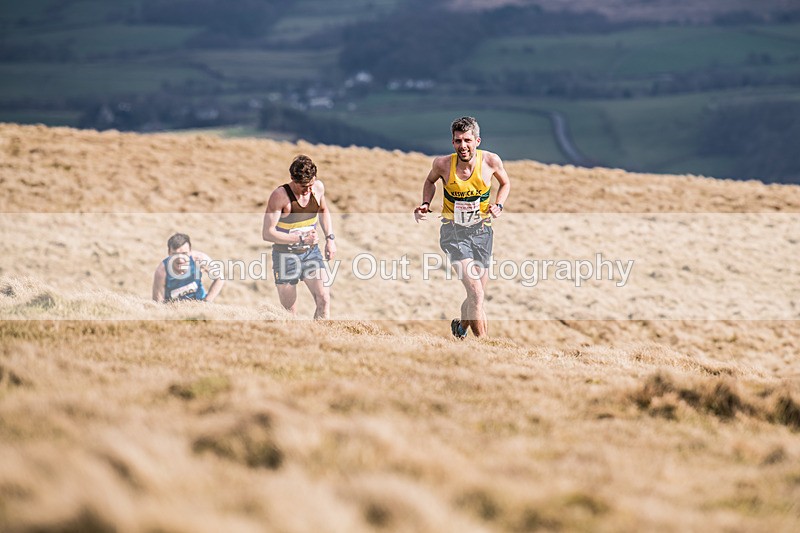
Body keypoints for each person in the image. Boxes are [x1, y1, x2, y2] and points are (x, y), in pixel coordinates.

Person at [414, 116, 511, 339]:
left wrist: (499, 205)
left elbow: (505, 183)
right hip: (453, 233)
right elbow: (430, 182)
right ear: (453, 143)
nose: (462, 146)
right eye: (458, 141)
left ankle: (461, 328)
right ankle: (484, 346)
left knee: (476, 294)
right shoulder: (442, 164)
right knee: (476, 293)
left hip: (482, 232)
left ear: (477, 140)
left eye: (467, 140)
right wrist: (425, 204)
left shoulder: (490, 161)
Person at [262, 154, 336, 319]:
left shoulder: (318, 188)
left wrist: (330, 239)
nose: (308, 190)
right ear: (293, 180)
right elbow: (267, 233)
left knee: (324, 298)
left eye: (310, 184)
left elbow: (323, 210)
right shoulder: (280, 196)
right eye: (304, 186)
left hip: (311, 253)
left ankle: (322, 339)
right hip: (285, 256)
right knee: (290, 314)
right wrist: (301, 238)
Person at [152, 233, 225, 303]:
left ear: (190, 251)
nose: (180, 259)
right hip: (173, 309)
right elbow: (158, 302)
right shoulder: (162, 272)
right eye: (175, 254)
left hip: (199, 304)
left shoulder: (200, 259)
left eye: (184, 253)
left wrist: (207, 301)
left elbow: (220, 278)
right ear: (169, 253)